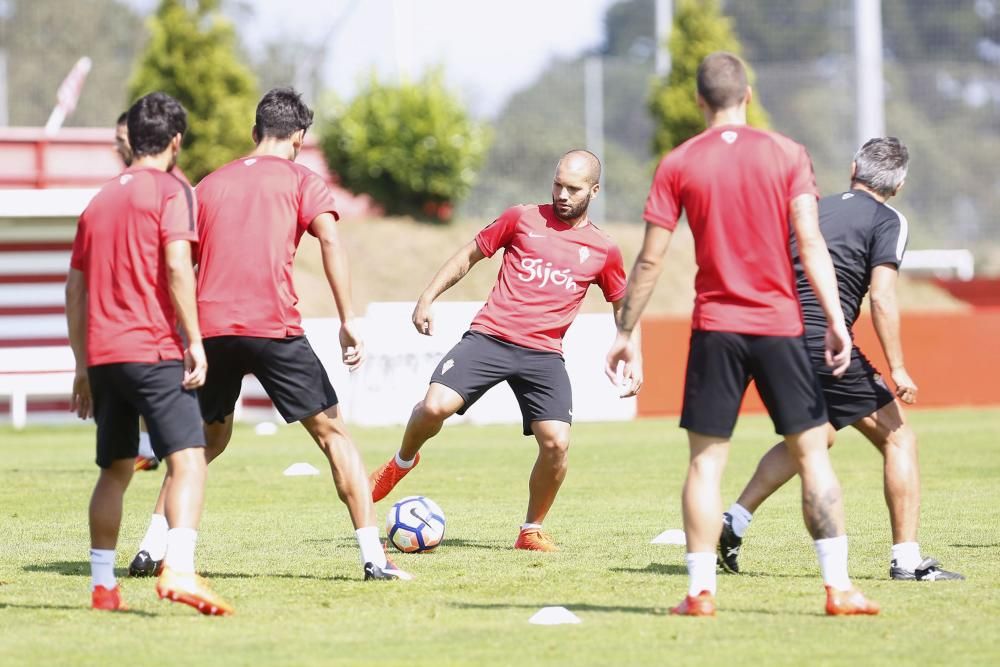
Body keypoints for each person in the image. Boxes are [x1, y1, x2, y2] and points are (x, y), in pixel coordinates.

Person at [606, 52, 879, 617]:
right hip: (781, 326)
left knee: (706, 464)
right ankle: (838, 588)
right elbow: (810, 242)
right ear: (748, 95)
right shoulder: (787, 153)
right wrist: (834, 318)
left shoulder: (678, 162)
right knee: (814, 457)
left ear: (699, 102)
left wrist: (626, 331)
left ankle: (700, 593)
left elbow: (650, 261)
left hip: (716, 329)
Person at [127, 87, 410, 582]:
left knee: (199, 445)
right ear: (300, 136)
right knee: (333, 435)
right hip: (273, 328)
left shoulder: (208, 185)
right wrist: (348, 318)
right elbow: (329, 239)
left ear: (254, 131)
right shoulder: (303, 179)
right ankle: (373, 558)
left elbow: (178, 262)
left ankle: (152, 548)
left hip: (210, 329)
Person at [368, 150, 641, 552]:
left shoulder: (603, 249)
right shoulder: (522, 218)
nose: (563, 194)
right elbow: (469, 255)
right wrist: (427, 297)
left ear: (594, 191)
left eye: (574, 188)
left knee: (557, 444)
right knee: (434, 407)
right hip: (490, 337)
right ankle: (402, 462)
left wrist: (633, 351)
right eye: (558, 184)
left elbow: (624, 305)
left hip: (544, 355)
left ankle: (530, 530)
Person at [718, 137, 963, 582]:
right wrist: (899, 367)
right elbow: (883, 299)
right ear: (900, 183)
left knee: (818, 438)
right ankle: (906, 561)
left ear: (853, 167)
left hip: (769, 335)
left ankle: (733, 522)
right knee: (899, 438)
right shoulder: (889, 219)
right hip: (820, 339)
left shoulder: (810, 207)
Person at [68, 92, 232, 614]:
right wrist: (196, 340)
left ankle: (103, 587)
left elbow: (75, 290)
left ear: (131, 137)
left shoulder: (97, 201)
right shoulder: (171, 190)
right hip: (155, 349)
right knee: (190, 460)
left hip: (105, 356)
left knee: (114, 470)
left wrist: (82, 367)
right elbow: (179, 266)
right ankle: (179, 571)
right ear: (176, 141)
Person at [114, 110, 160, 473]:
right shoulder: (117, 190)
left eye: (123, 140)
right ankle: (146, 448)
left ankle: (158, 447)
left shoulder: (168, 187)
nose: (119, 147)